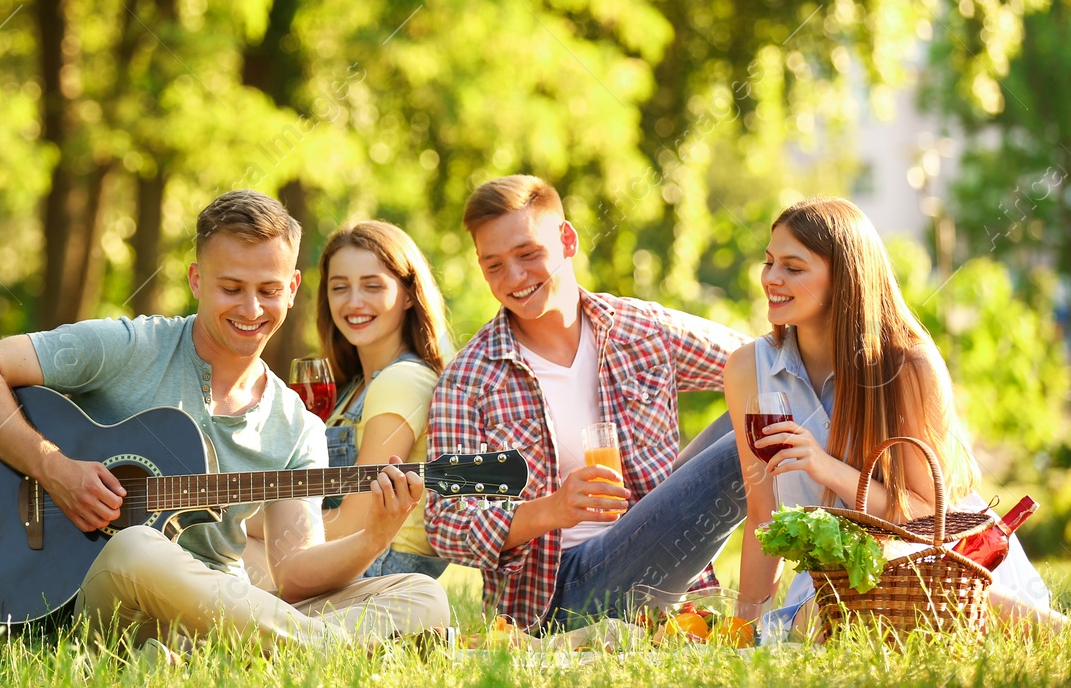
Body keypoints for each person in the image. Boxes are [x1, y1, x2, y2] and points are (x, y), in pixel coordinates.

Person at [0, 190, 450, 654]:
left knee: (422, 597)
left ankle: (222, 648)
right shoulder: (129, 345)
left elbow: (295, 574)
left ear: (293, 288)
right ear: (197, 281)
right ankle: (314, 648)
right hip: (99, 594)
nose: (251, 310)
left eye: (269, 290)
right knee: (140, 548)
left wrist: (377, 531)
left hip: (219, 604)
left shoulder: (294, 424)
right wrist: (54, 467)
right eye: (231, 288)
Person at [726, 197, 1068, 637]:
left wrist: (828, 469)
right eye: (769, 261)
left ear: (846, 278)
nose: (771, 278)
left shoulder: (908, 365)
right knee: (817, 616)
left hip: (948, 569)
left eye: (793, 267)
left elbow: (929, 518)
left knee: (890, 576)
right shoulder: (747, 370)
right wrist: (743, 632)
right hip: (838, 585)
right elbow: (762, 517)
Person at [425, 175, 747, 630]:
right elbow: (445, 524)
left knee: (762, 414)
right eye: (493, 265)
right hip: (558, 595)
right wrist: (553, 509)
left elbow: (757, 361)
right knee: (749, 440)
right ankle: (756, 616)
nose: (514, 278)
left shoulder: (641, 329)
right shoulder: (471, 380)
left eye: (528, 254)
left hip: (653, 554)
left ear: (567, 239)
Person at [245, 221, 457, 583]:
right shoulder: (352, 387)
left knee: (213, 547)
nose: (354, 302)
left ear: (408, 294)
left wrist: (234, 516)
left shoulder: (401, 380)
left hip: (377, 570)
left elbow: (350, 524)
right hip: (341, 557)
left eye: (372, 286)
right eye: (339, 287)